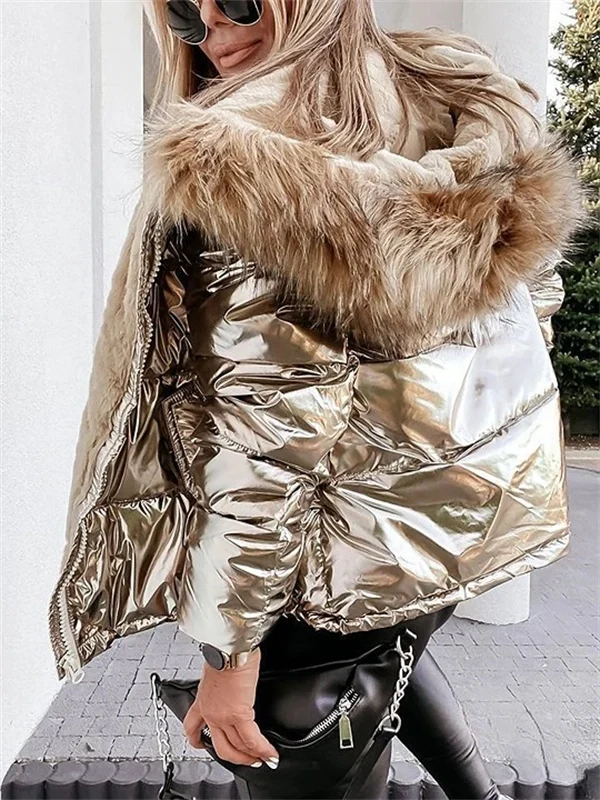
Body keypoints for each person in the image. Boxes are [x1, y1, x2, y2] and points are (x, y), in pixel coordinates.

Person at [47, 1, 583, 799]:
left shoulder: (244, 160)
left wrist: (231, 655)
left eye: (235, 0)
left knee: (332, 693)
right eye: (185, 15)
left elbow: (264, 445)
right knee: (386, 648)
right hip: (443, 525)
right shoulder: (445, 94)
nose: (214, 31)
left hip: (325, 552)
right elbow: (533, 305)